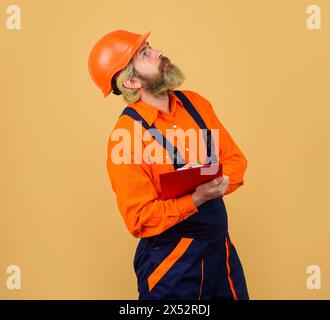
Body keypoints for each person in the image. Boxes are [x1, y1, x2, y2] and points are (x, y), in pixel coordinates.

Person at [88, 30, 249, 300]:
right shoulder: (126, 137)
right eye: (145, 54)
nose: (158, 53)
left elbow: (234, 161)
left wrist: (220, 184)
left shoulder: (196, 105)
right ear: (131, 82)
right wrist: (196, 198)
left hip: (220, 254)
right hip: (173, 266)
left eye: (150, 47)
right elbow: (139, 218)